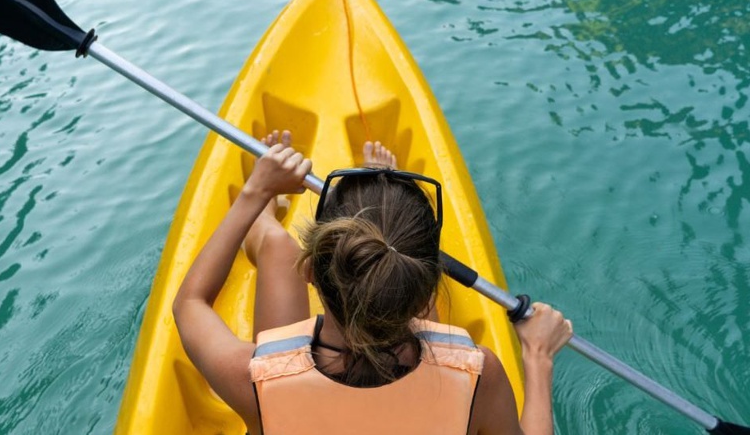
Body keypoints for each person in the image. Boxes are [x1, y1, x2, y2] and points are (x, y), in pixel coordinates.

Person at [173, 130, 573, 435]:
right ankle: (386, 250)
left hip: (295, 372)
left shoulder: (253, 377)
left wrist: (253, 191)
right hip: (421, 331)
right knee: (419, 322)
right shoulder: (477, 373)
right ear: (429, 295)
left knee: (277, 245)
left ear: (309, 271)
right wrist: (537, 357)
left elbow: (190, 303)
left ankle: (264, 213)